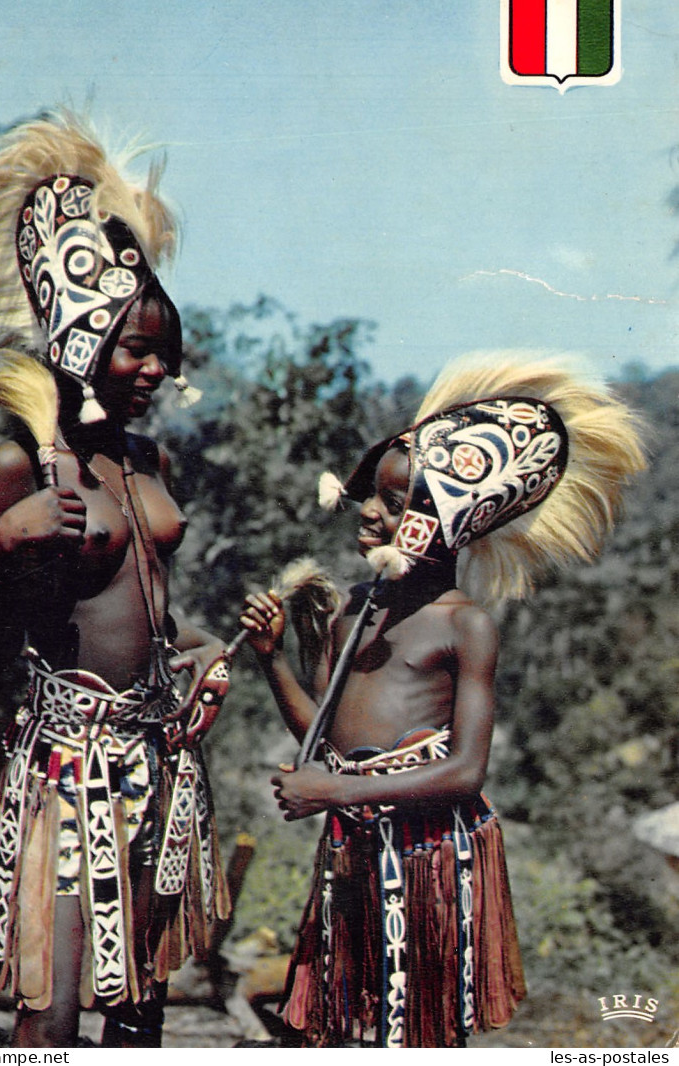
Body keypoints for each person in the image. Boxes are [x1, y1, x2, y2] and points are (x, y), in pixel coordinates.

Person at [240, 352, 646, 1048]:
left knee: (416, 1030)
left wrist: (330, 792)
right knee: (339, 1023)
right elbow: (324, 742)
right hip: (356, 847)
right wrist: (272, 660)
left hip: (429, 856)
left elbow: (464, 774)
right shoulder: (354, 613)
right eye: (371, 493)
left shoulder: (465, 624)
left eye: (394, 503)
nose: (368, 510)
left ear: (443, 519)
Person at [0, 111, 231, 1047]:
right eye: (133, 349)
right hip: (67, 770)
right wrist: (0, 553)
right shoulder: (15, 465)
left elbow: (146, 609)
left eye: (164, 353)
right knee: (55, 1011)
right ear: (77, 339)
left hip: (159, 760)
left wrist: (195, 651)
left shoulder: (140, 459)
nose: (155, 369)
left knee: (140, 1005)